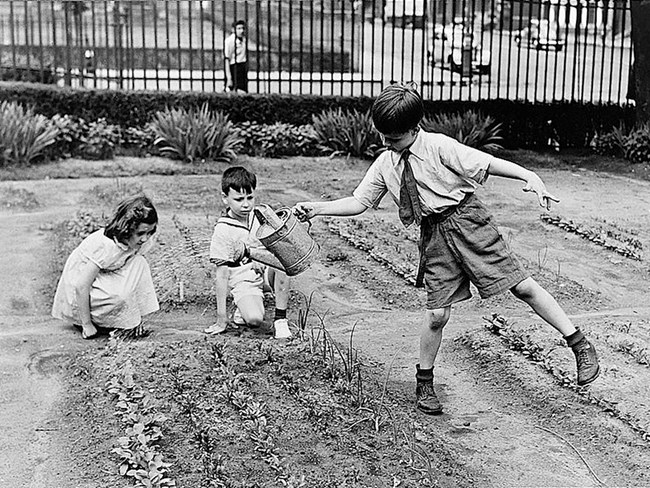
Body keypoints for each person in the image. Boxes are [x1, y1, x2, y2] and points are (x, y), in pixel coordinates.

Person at [294, 82, 600, 415]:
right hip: (434, 236)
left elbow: (485, 162)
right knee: (437, 314)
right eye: (383, 136)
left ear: (414, 128)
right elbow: (359, 201)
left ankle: (579, 344)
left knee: (523, 287)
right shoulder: (385, 164)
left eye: (394, 138)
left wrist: (527, 175)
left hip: (469, 222)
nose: (386, 143)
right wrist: (316, 208)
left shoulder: (439, 147)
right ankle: (424, 382)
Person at [52, 195, 159, 339]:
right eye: (140, 233)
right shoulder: (106, 246)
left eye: (149, 232)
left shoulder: (135, 241)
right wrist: (86, 324)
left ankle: (133, 320)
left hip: (108, 271)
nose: (145, 238)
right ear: (127, 229)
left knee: (140, 264)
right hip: (82, 288)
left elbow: (135, 278)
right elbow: (81, 286)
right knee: (119, 295)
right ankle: (92, 321)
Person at [205, 166, 292, 339]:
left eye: (250, 197)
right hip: (243, 278)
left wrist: (263, 256)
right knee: (254, 320)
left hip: (265, 272)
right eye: (239, 199)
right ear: (225, 198)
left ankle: (280, 320)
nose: (246, 204)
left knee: (284, 260)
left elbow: (277, 245)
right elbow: (222, 275)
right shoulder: (223, 229)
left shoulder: (259, 216)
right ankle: (243, 307)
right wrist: (221, 319)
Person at [224, 20, 248, 93]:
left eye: (243, 28)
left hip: (242, 67)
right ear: (233, 30)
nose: (242, 31)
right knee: (231, 91)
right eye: (239, 28)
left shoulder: (244, 40)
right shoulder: (229, 41)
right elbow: (227, 59)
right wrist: (229, 77)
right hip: (234, 67)